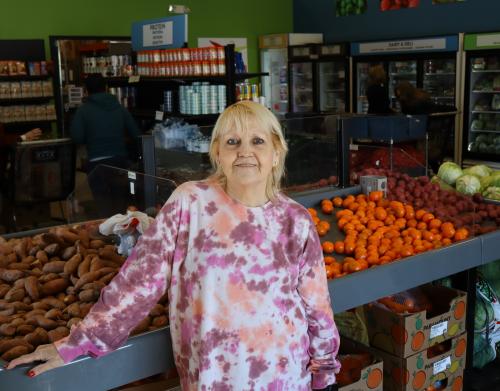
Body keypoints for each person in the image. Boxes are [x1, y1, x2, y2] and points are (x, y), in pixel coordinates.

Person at [8, 101, 341, 390]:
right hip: (212, 376)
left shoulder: (295, 219)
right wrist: (78, 342)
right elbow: (138, 281)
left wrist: (324, 372)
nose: (244, 151)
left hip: (284, 374)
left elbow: (316, 306)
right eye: (232, 141)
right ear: (217, 154)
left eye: (257, 141)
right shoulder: (191, 203)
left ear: (276, 152)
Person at [70, 73, 140, 173]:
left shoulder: (82, 111)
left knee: (101, 187)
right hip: (119, 161)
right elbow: (136, 134)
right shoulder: (120, 108)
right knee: (119, 187)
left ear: (86, 90)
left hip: (96, 163)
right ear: (106, 87)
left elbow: (77, 137)